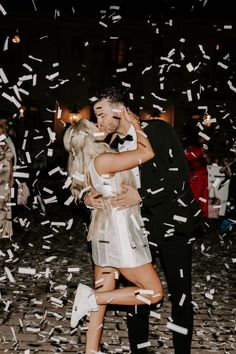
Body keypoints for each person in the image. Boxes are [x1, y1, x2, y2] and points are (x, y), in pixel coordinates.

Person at [85, 87, 204, 354]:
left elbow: (179, 176)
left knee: (180, 294)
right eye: (97, 117)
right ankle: (139, 350)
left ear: (121, 109)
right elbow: (94, 180)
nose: (99, 122)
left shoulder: (158, 130)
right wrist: (87, 198)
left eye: (102, 115)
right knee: (137, 294)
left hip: (172, 225)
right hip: (135, 229)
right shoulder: (111, 145)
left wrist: (142, 194)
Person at [63, 116, 163, 354]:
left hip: (103, 234)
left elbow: (89, 191)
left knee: (103, 295)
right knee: (153, 292)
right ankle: (92, 299)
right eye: (93, 126)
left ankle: (91, 351)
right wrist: (135, 123)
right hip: (121, 235)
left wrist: (88, 198)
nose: (99, 126)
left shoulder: (87, 163)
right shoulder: (105, 159)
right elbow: (146, 152)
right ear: (90, 136)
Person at [185, 134, 209, 218]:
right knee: (194, 194)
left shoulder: (204, 148)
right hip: (193, 175)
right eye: (200, 136)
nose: (201, 138)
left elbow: (208, 161)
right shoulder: (192, 147)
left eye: (203, 137)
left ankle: (200, 213)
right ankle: (193, 212)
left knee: (201, 195)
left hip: (201, 175)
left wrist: (204, 154)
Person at [0, 122, 14, 238]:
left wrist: (11, 178)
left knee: (4, 204)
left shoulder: (6, 144)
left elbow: (10, 161)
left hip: (4, 178)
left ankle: (4, 231)